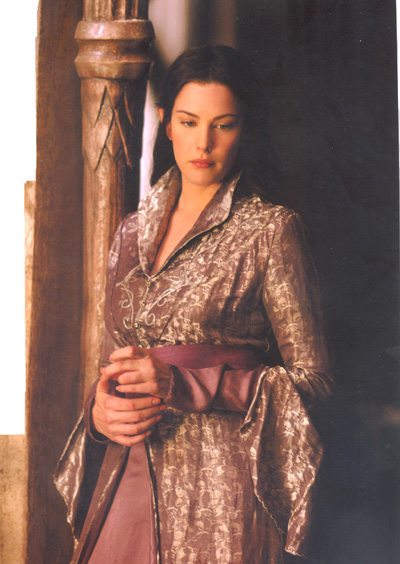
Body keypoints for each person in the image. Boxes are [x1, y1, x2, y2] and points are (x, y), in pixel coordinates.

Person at [55, 45, 333, 564]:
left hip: (221, 492)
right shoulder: (131, 232)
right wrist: (99, 414)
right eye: (189, 122)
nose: (203, 143)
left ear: (245, 129)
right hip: (128, 468)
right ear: (166, 124)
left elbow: (314, 382)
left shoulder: (270, 230)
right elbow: (109, 364)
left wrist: (188, 384)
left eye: (223, 125)